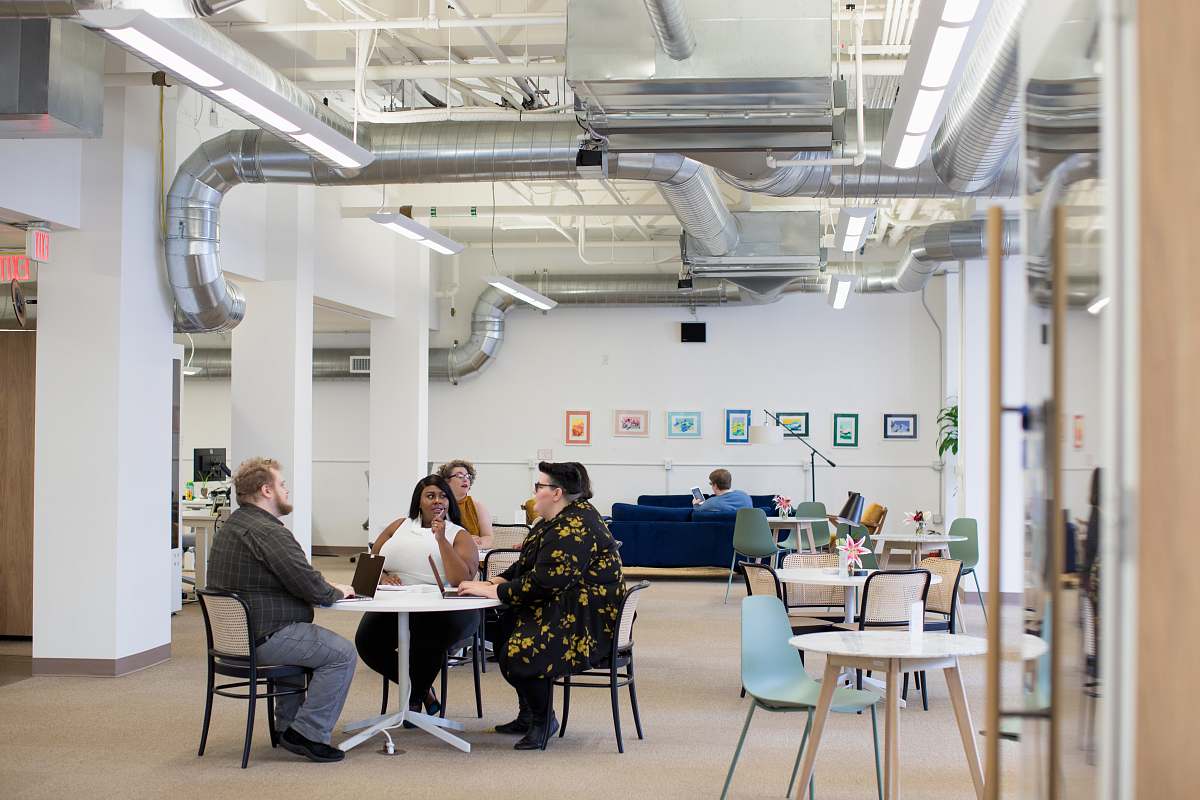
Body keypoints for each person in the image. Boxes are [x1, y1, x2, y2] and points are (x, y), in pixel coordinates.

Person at [459, 462, 623, 750]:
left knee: (521, 647)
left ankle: (544, 720)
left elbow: (547, 582)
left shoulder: (574, 526)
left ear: (556, 492)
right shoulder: (552, 521)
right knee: (500, 629)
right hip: (566, 604)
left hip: (587, 618)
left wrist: (497, 590)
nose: (534, 492)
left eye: (539, 486)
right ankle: (529, 713)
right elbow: (527, 565)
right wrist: (494, 581)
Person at [206, 457, 357, 763]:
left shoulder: (234, 525)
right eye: (282, 485)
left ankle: (288, 726)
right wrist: (336, 589)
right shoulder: (269, 532)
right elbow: (313, 589)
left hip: (235, 639)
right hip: (265, 637)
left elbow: (286, 575)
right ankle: (308, 732)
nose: (287, 491)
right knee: (342, 654)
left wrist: (318, 582)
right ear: (266, 490)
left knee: (306, 642)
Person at [354, 475, 481, 719]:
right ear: (419, 501)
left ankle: (414, 700)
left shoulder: (459, 534)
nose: (437, 501)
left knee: (426, 640)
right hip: (397, 602)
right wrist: (382, 577)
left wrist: (441, 539)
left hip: (445, 608)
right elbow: (371, 563)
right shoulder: (399, 526)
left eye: (443, 495)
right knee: (367, 642)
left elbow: (459, 579)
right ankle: (423, 692)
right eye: (430, 496)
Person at [437, 459, 495, 548]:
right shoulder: (438, 505)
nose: (465, 479)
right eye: (459, 476)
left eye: (468, 476)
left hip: (474, 557)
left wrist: (475, 545)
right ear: (446, 481)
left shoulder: (478, 507)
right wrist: (465, 541)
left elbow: (488, 537)